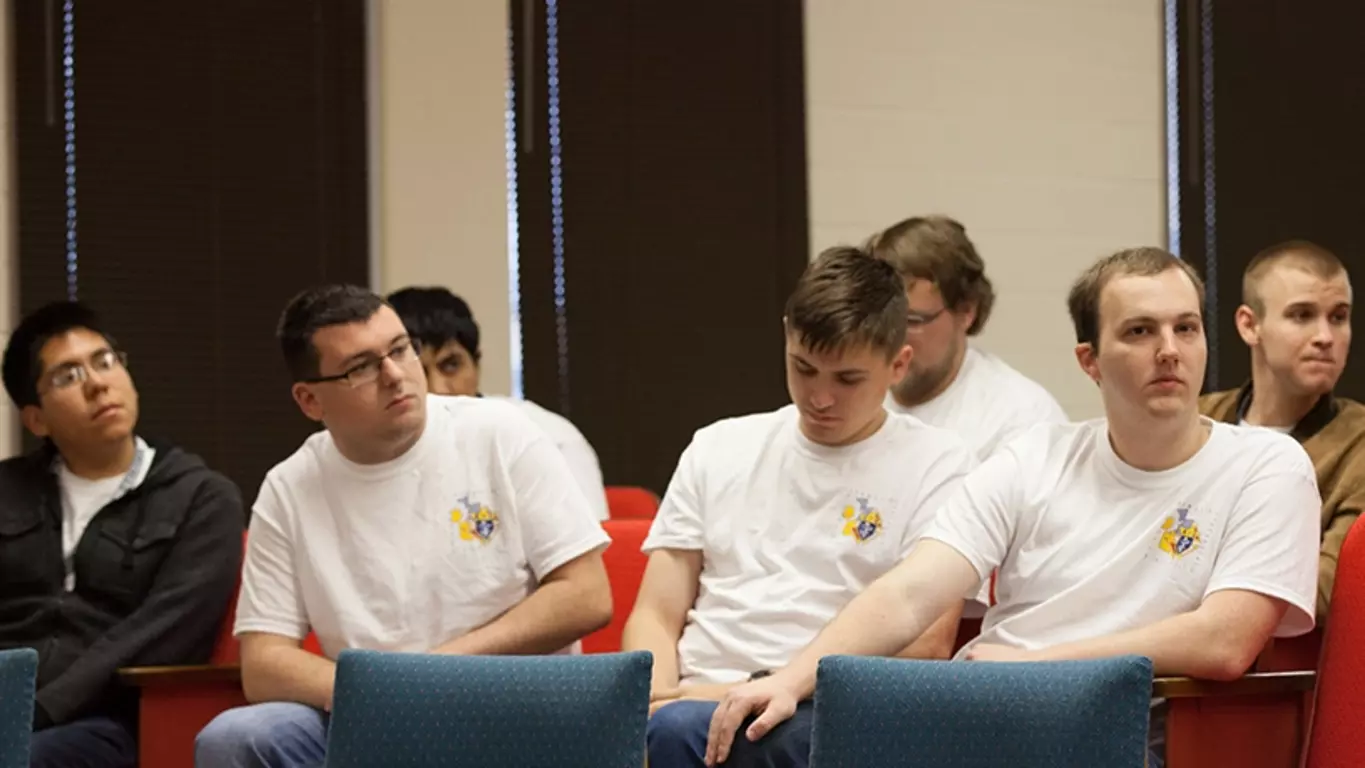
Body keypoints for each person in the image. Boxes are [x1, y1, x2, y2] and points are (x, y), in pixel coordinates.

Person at [705, 248, 1320, 768]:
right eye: (1139, 331)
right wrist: (791, 678)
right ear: (1089, 360)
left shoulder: (1266, 465)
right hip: (984, 716)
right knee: (775, 738)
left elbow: (1224, 641)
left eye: (1185, 328)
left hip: (1111, 731)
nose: (1168, 350)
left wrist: (1031, 665)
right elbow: (908, 593)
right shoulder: (1035, 455)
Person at [194, 285, 612, 767]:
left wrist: (437, 672)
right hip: (370, 716)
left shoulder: (501, 433)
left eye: (400, 349)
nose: (395, 375)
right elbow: (265, 663)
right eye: (362, 367)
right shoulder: (290, 486)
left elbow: (586, 595)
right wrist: (384, 694)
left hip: (508, 703)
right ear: (310, 400)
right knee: (236, 738)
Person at [626, 247, 977, 768]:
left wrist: (755, 688)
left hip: (828, 708)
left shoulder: (940, 463)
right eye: (804, 368)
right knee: (666, 732)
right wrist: (652, 701)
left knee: (696, 732)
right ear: (787, 336)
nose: (819, 397)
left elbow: (924, 646)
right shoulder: (718, 447)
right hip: (691, 702)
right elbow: (656, 611)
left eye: (847, 379)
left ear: (898, 364)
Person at [0, 301, 243, 768]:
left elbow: (163, 631)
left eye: (104, 361)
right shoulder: (8, 491)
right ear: (36, 419)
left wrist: (35, 711)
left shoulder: (201, 498)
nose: (97, 383)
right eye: (67, 376)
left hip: (103, 721)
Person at [1200, 240, 1365, 617]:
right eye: (1302, 315)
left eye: (1338, 317)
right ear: (1249, 325)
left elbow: (1330, 593)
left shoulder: (1358, 443)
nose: (1325, 336)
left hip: (1289, 667)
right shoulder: (1200, 419)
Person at [386, 286, 610, 521]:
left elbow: (590, 553)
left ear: (476, 364)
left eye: (451, 365)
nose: (438, 389)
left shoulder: (549, 437)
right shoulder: (371, 448)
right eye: (418, 371)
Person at [866, 215, 1067, 460]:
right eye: (878, 317)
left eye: (912, 321)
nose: (890, 337)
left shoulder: (1022, 420)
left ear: (965, 311)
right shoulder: (844, 388)